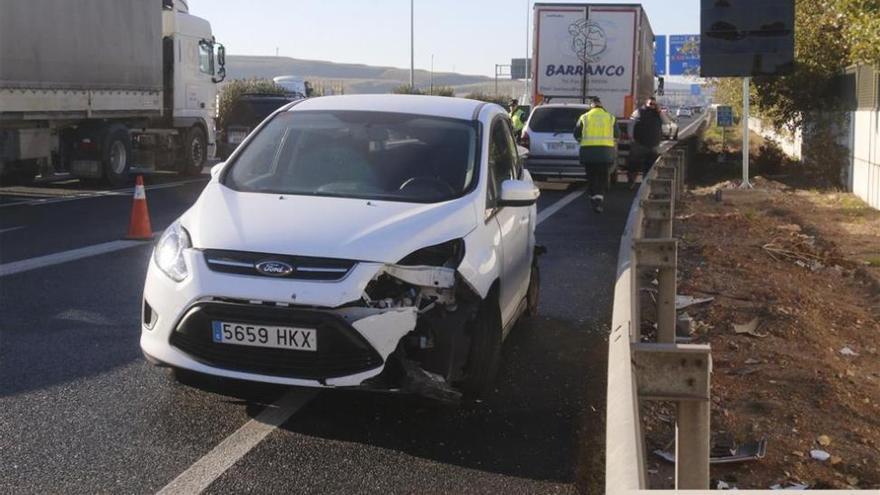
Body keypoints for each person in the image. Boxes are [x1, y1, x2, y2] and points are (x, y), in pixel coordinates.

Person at [574, 97, 618, 213]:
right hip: (605, 153)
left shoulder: (584, 117)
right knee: (602, 177)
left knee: (591, 177)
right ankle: (598, 198)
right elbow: (617, 134)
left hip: (588, 153)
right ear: (601, 105)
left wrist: (582, 141)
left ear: (591, 106)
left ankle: (593, 197)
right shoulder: (610, 118)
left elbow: (576, 134)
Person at [628, 96, 664, 185]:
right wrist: (631, 137)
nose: (652, 105)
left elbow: (667, 121)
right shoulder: (639, 112)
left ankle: (645, 184)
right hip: (639, 143)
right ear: (646, 103)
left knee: (650, 166)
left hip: (653, 144)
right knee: (634, 164)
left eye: (654, 104)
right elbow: (631, 125)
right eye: (650, 103)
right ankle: (632, 181)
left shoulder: (658, 113)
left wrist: (659, 111)